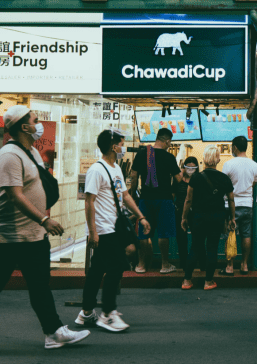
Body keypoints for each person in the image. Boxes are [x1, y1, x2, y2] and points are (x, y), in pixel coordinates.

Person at [0, 106, 90, 356]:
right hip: (8, 236)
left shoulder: (31, 152)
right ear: (24, 127)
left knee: (39, 285)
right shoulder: (8, 156)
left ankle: (53, 332)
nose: (39, 125)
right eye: (35, 121)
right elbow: (14, 196)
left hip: (31, 235)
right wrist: (43, 219)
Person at [76, 129, 151, 332]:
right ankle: (107, 314)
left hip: (113, 227)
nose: (123, 146)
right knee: (117, 266)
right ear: (112, 146)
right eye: (121, 143)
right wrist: (93, 231)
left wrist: (141, 217)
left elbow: (125, 196)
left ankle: (86, 313)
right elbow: (89, 202)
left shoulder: (116, 168)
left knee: (97, 270)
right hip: (102, 229)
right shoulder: (96, 170)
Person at [181, 145, 236, 290]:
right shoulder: (224, 178)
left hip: (198, 217)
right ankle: (208, 282)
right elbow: (231, 200)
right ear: (217, 159)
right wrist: (232, 218)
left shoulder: (196, 178)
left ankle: (187, 281)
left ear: (204, 159)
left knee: (195, 247)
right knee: (212, 248)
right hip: (216, 218)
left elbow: (188, 200)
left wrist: (184, 218)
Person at [129, 128, 182, 274]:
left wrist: (133, 194)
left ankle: (141, 265)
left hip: (145, 198)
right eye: (169, 143)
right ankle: (164, 265)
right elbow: (179, 179)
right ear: (167, 141)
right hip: (164, 199)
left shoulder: (141, 154)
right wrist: (172, 190)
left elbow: (133, 176)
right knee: (163, 233)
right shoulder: (169, 157)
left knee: (144, 233)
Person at [221, 136, 257, 275]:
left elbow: (224, 185)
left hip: (231, 204)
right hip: (247, 204)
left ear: (235, 147)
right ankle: (244, 266)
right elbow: (254, 184)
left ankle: (230, 267)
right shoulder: (254, 165)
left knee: (230, 234)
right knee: (246, 234)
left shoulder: (228, 164)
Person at [173, 156, 199, 272]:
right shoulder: (178, 180)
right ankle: (184, 264)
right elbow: (172, 194)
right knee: (181, 239)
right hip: (179, 212)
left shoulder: (199, 179)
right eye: (188, 166)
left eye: (193, 167)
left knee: (196, 239)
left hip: (194, 213)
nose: (190, 169)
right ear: (184, 167)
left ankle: (194, 263)